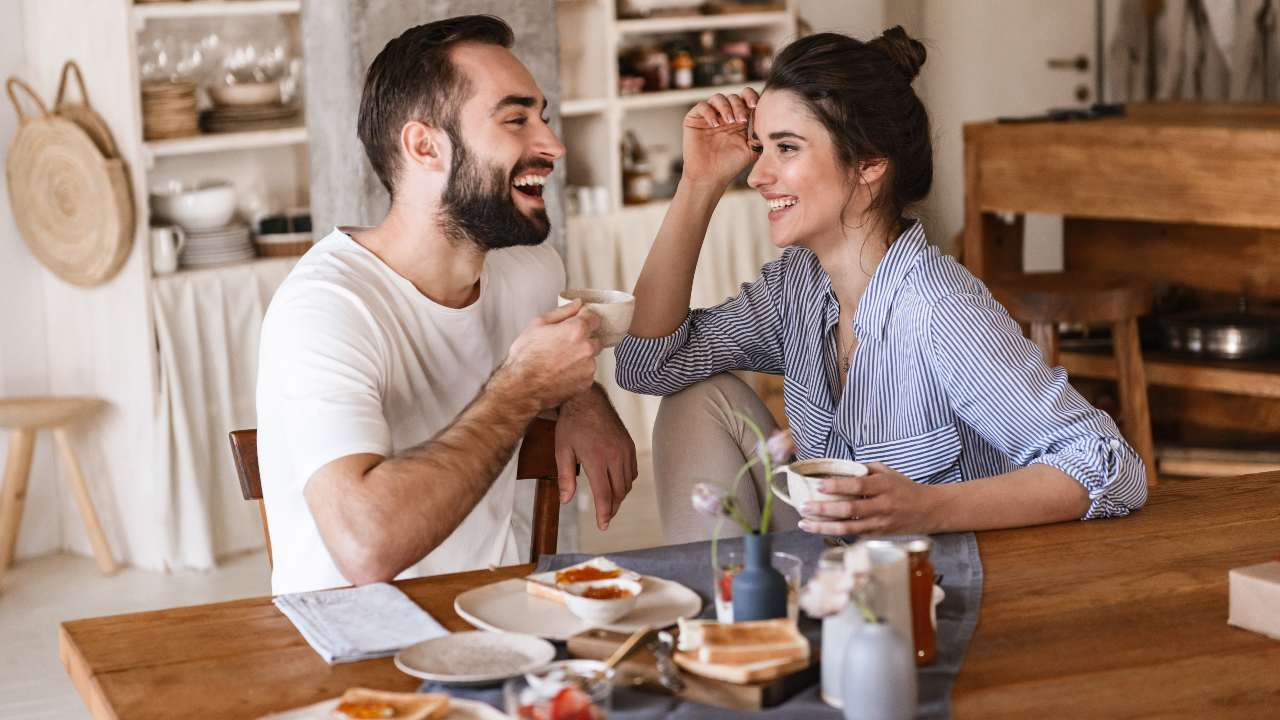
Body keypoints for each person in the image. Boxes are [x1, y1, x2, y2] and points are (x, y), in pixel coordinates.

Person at [615, 28, 1147, 544]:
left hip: (941, 586)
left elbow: (1110, 467)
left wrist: (926, 509)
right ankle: (732, 631)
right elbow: (647, 365)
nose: (756, 175)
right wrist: (698, 182)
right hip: (838, 572)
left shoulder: (938, 310)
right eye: (760, 147)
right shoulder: (796, 288)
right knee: (696, 398)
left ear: (868, 164)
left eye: (787, 148)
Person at [257, 15, 636, 595]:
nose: (553, 146)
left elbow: (555, 372)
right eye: (515, 120)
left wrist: (584, 399)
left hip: (490, 618)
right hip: (353, 646)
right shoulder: (326, 308)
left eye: (544, 118)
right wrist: (523, 389)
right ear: (424, 145)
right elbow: (365, 546)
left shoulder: (534, 273)